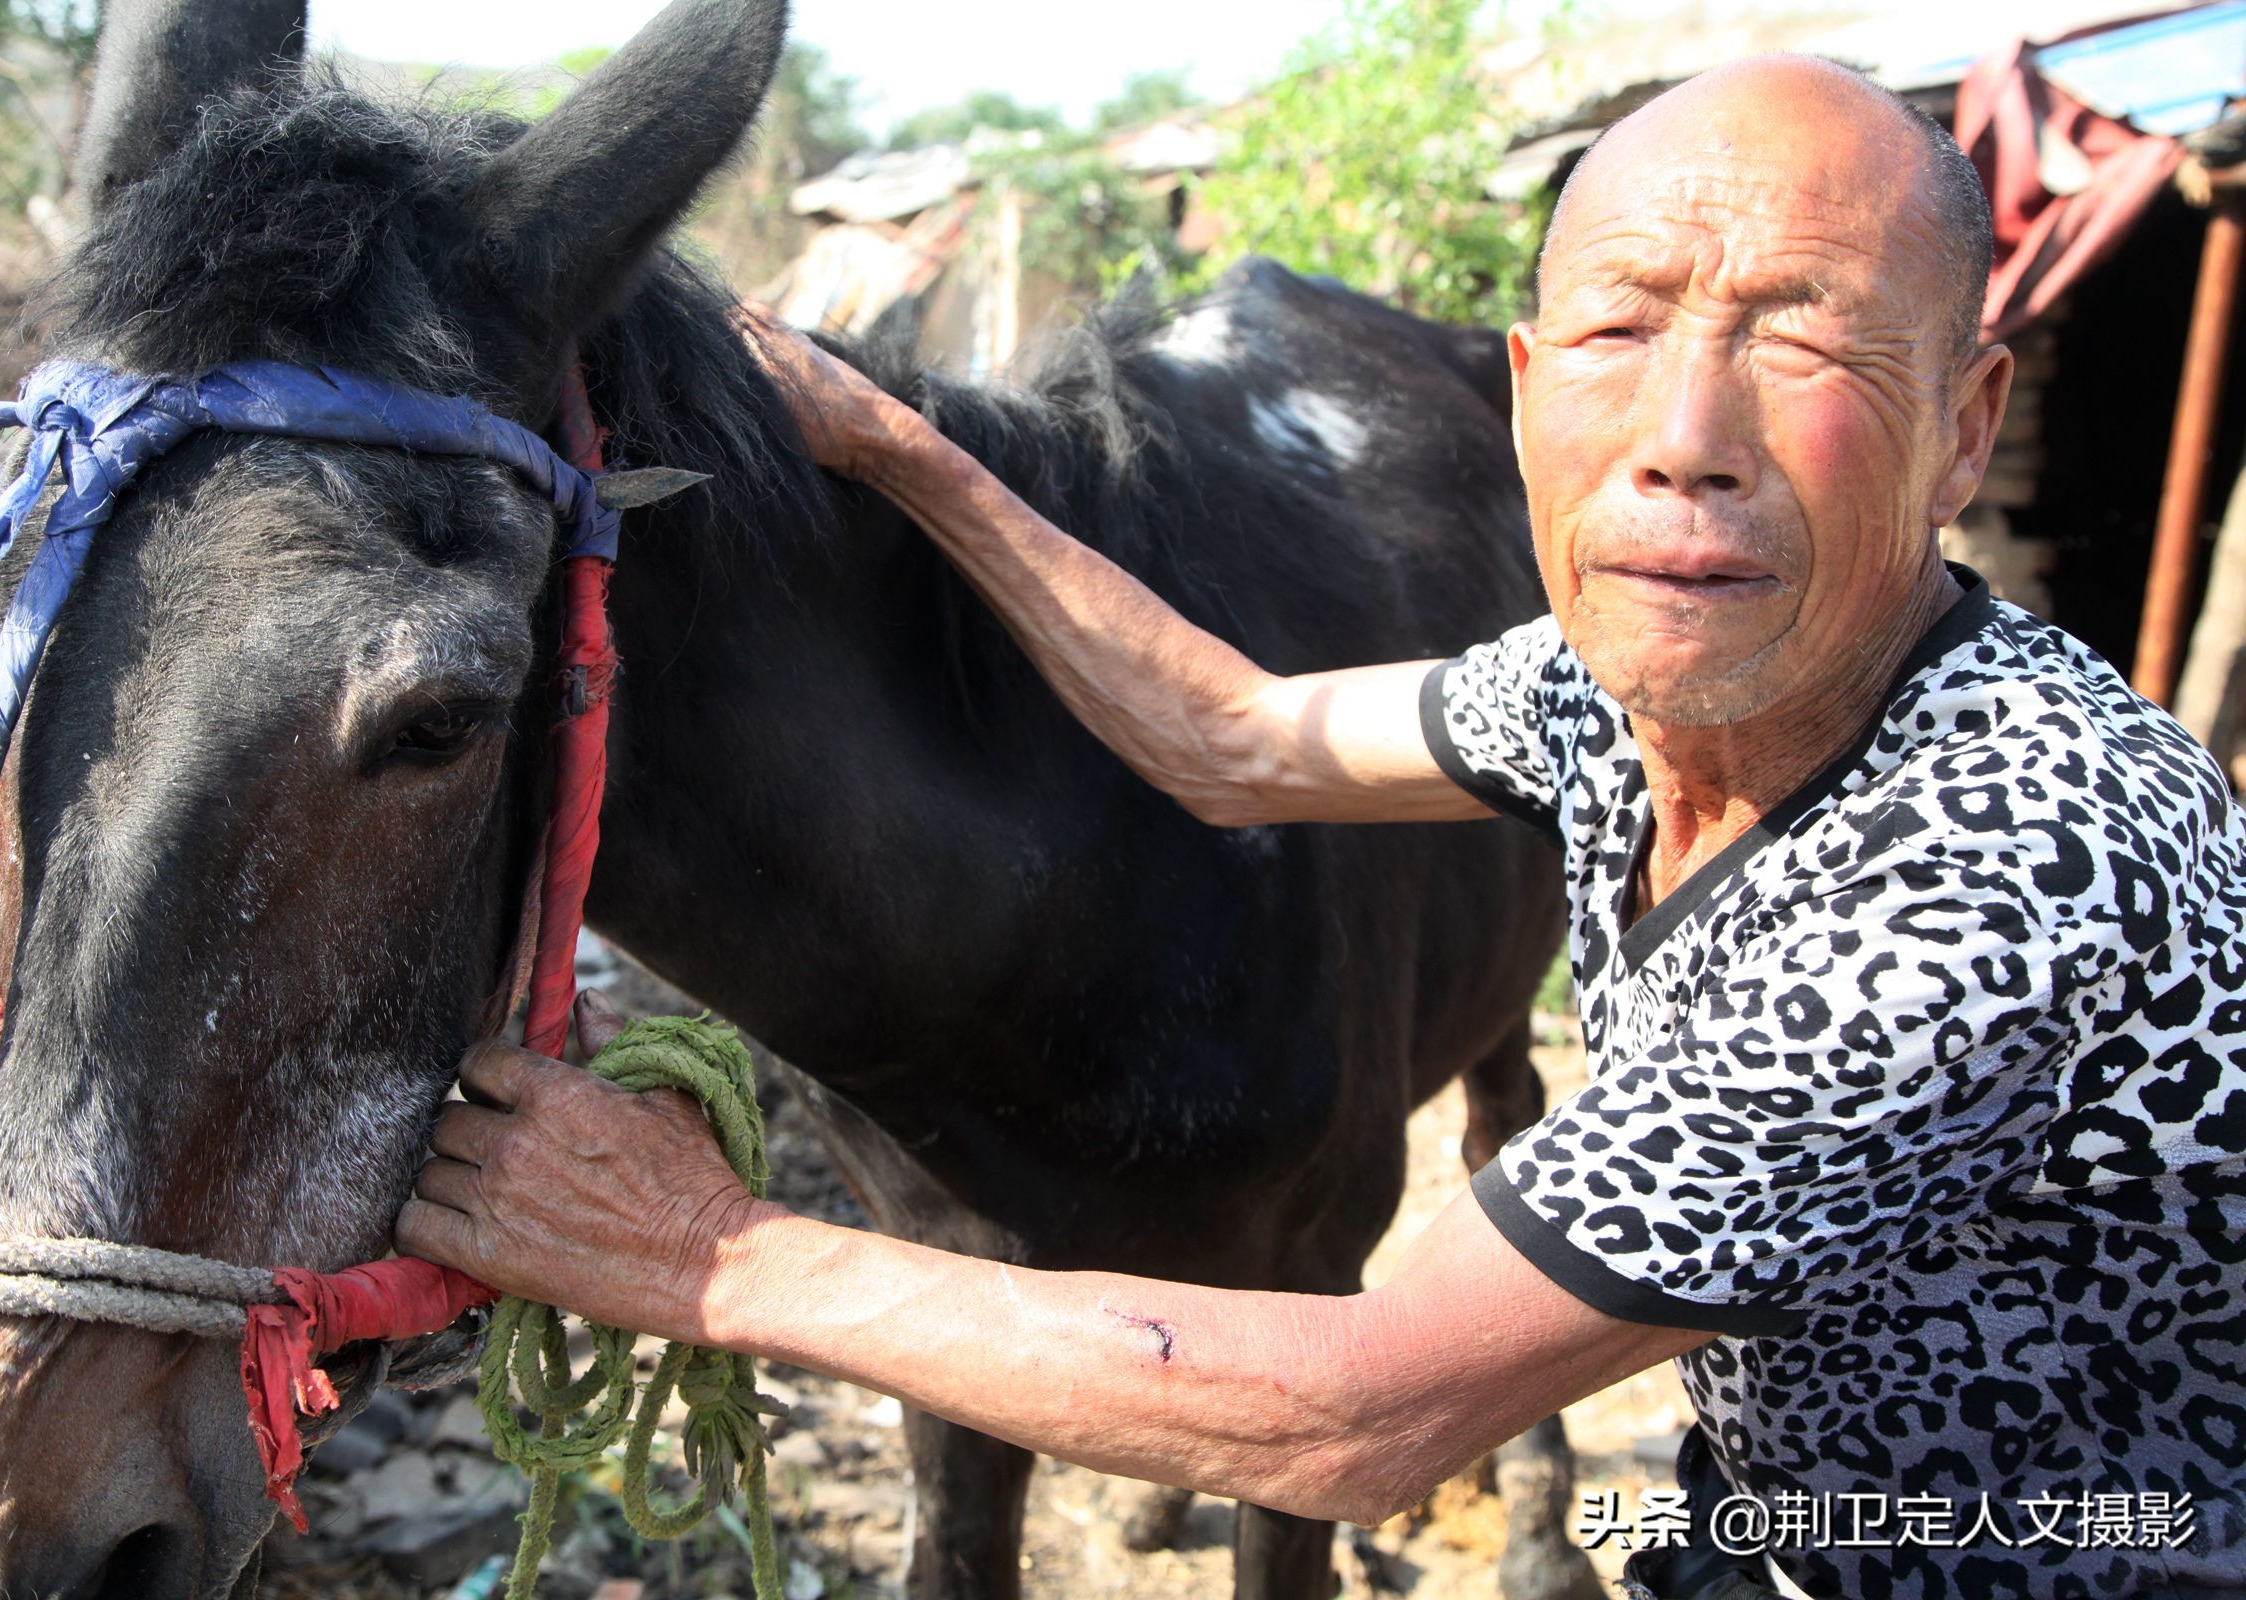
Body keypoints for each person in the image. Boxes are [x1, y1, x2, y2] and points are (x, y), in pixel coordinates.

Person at [395, 54, 2246, 1598]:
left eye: (1809, 345)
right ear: (1520, 395)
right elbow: (1238, 729)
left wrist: (709, 1254)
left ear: (1967, 425)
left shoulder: (1988, 868)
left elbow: (1360, 1412)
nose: (1689, 432)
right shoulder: (1641, 682)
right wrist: (902, 451)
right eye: (1617, 330)